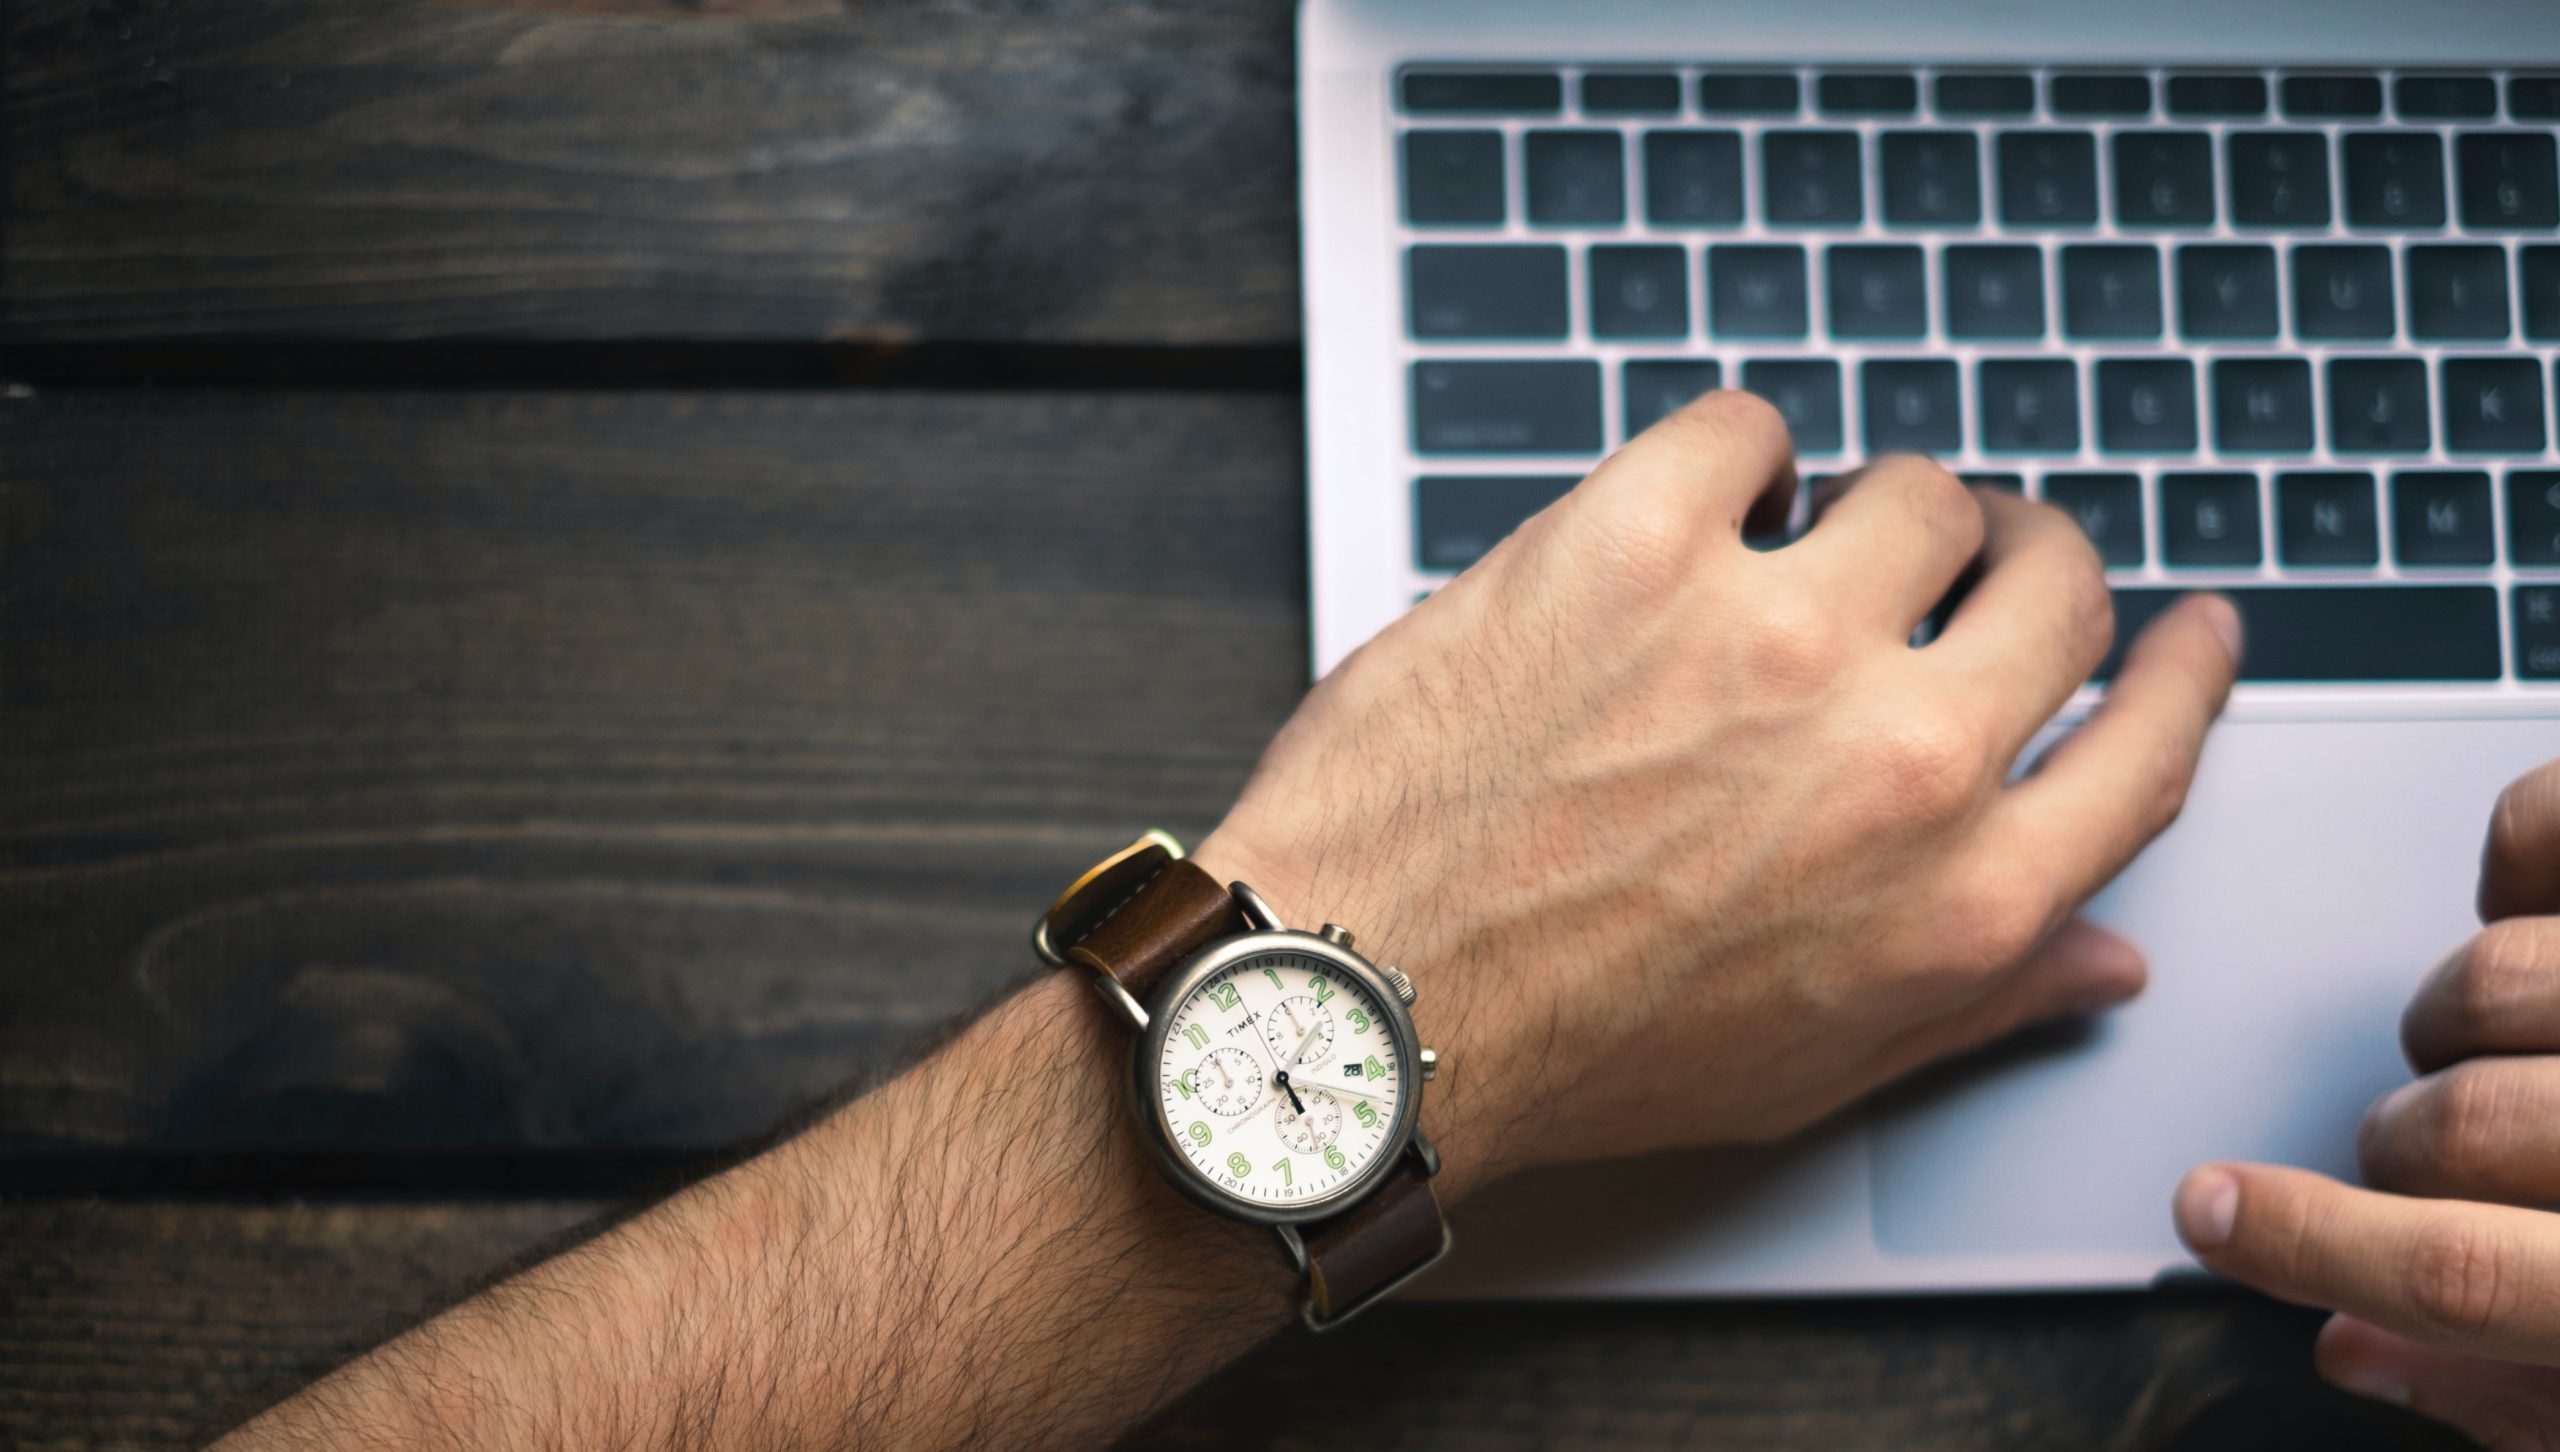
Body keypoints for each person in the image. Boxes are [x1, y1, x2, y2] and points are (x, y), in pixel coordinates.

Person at [205, 393, 2541, 1450]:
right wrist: (1455, 974)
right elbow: (1296, 1058)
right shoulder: (1278, 1062)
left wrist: (1426, 986)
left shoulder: (1307, 1077)